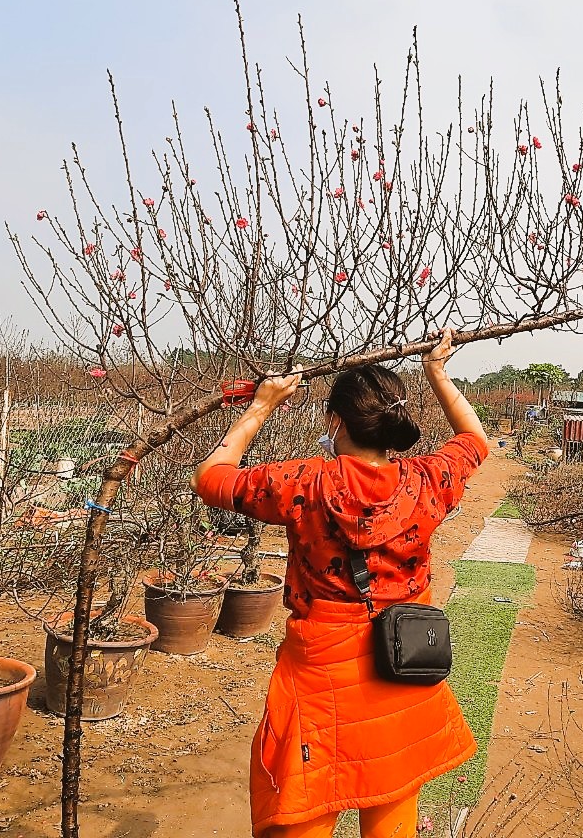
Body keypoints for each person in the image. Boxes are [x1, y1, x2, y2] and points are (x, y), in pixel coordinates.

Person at [191, 329, 488, 838]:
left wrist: (261, 406)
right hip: (401, 666)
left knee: (307, 801)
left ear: (336, 421)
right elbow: (475, 440)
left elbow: (211, 478)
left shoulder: (305, 481)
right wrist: (438, 372)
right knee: (392, 801)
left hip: (321, 673)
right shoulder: (427, 480)